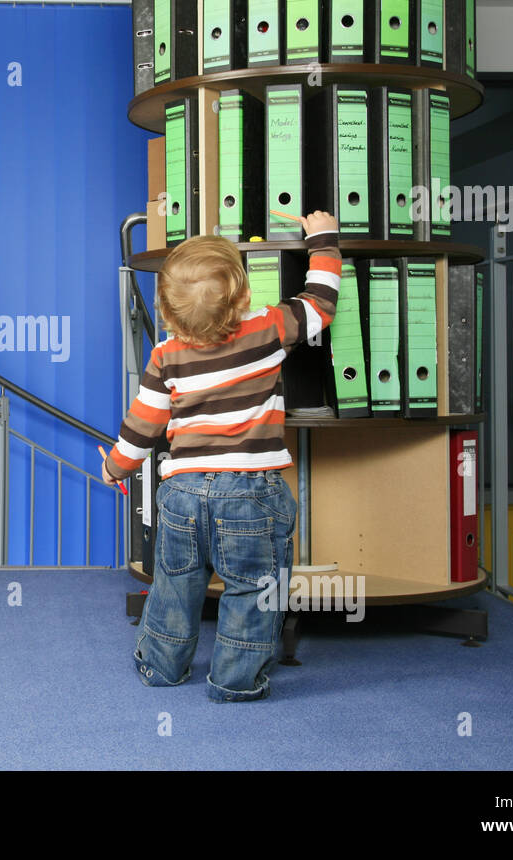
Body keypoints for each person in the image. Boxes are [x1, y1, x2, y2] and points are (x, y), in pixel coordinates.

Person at [101, 211, 342, 701]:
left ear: (166, 312)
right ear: (244, 295)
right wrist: (322, 239)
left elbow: (143, 425)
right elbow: (319, 304)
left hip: (182, 494)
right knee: (253, 591)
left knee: (175, 584)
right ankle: (234, 681)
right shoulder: (268, 329)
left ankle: (162, 666)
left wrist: (114, 467)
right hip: (252, 493)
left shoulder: (165, 354)